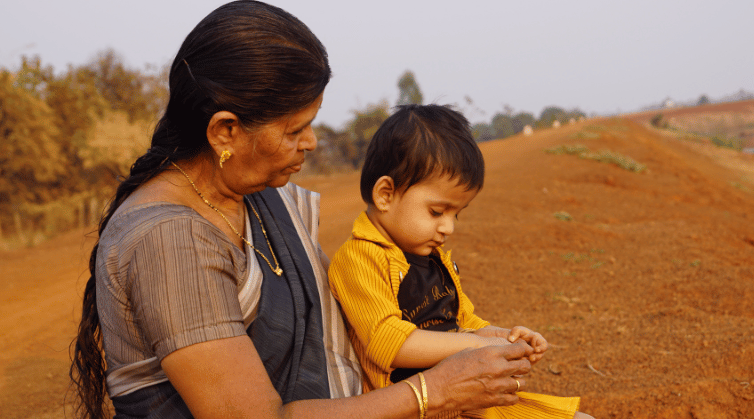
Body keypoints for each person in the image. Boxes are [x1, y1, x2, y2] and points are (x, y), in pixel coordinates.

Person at [70, 2, 540, 418]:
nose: (311, 143)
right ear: (224, 131)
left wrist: (479, 339)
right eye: (295, 130)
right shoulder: (168, 242)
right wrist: (432, 392)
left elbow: (363, 321)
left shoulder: (254, 193)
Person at [327, 104, 590, 418]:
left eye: (456, 214)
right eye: (437, 212)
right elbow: (388, 343)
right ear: (385, 194)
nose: (448, 227)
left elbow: (464, 323)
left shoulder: (434, 259)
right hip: (416, 407)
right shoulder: (359, 259)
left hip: (464, 401)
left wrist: (505, 337)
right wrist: (475, 347)